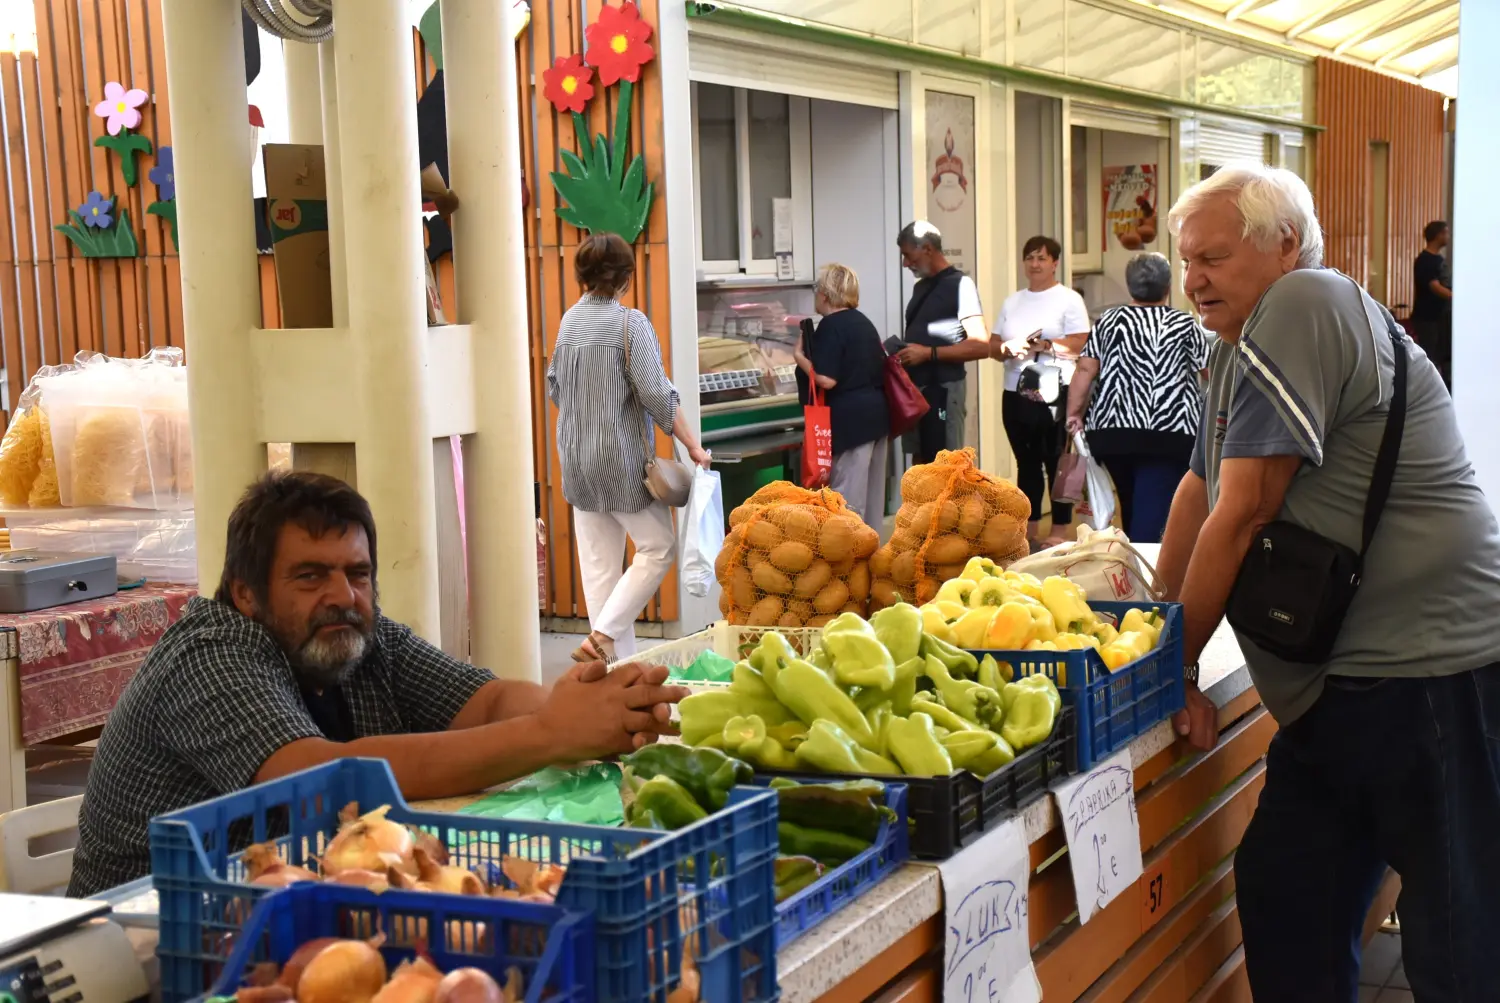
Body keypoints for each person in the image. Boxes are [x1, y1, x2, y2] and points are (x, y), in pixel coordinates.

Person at [1159, 162, 1500, 1001]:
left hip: (1427, 675)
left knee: (1459, 943)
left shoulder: (1304, 301)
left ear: (1285, 244)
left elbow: (1246, 507)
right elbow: (1197, 491)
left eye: (1213, 258)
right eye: (1187, 261)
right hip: (1338, 694)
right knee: (1289, 900)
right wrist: (1155, 638)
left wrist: (1173, 663)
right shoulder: (1236, 348)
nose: (1193, 280)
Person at [67, 471, 687, 896]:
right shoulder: (210, 654)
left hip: (289, 904)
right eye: (310, 576)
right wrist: (551, 732)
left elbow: (488, 701)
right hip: (146, 940)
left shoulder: (360, 635)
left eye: (357, 573)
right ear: (246, 594)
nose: (343, 595)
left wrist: (588, 705)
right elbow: (318, 777)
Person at [547, 233, 711, 663]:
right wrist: (692, 445)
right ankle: (602, 638)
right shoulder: (629, 324)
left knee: (600, 569)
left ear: (582, 276)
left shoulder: (569, 321)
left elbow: (554, 387)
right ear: (625, 277)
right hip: (620, 461)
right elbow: (656, 394)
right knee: (658, 547)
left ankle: (614, 670)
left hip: (576, 460)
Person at [1065, 252, 1207, 543]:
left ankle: (1131, 563)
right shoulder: (1183, 323)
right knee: (1152, 512)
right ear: (1168, 286)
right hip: (1170, 433)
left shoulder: (1108, 321)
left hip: (1111, 432)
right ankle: (1145, 566)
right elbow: (1211, 372)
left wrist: (1074, 414)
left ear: (1130, 286)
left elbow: (1085, 370)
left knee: (1132, 504)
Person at [991, 235, 1091, 549]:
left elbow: (1081, 343)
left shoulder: (1068, 299)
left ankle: (1060, 528)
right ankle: (1030, 527)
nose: (1035, 264)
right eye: (1030, 258)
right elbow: (993, 345)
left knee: (1058, 460)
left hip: (1055, 388)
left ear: (1055, 263)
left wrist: (1046, 345)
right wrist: (1008, 348)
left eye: (1042, 258)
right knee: (1026, 461)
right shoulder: (1013, 301)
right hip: (1015, 389)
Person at [793, 263, 890, 529]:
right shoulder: (863, 322)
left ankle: (849, 553)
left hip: (850, 424)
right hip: (877, 419)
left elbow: (826, 379)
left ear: (824, 295)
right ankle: (871, 550)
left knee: (847, 503)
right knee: (871, 501)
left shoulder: (831, 325)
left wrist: (799, 357)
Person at [893, 221, 991, 464]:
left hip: (943, 392)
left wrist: (928, 353)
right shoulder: (920, 288)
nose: (905, 263)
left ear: (927, 249)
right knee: (920, 467)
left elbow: (981, 346)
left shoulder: (961, 285)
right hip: (916, 393)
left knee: (944, 468)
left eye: (908, 255)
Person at [1410, 220, 1452, 391]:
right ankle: (1429, 392)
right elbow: (1433, 286)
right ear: (1438, 235)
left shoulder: (1438, 259)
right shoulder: (1425, 260)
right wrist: (1454, 296)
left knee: (1442, 355)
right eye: (1446, 232)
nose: (1448, 236)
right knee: (1431, 357)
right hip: (1427, 318)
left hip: (1440, 317)